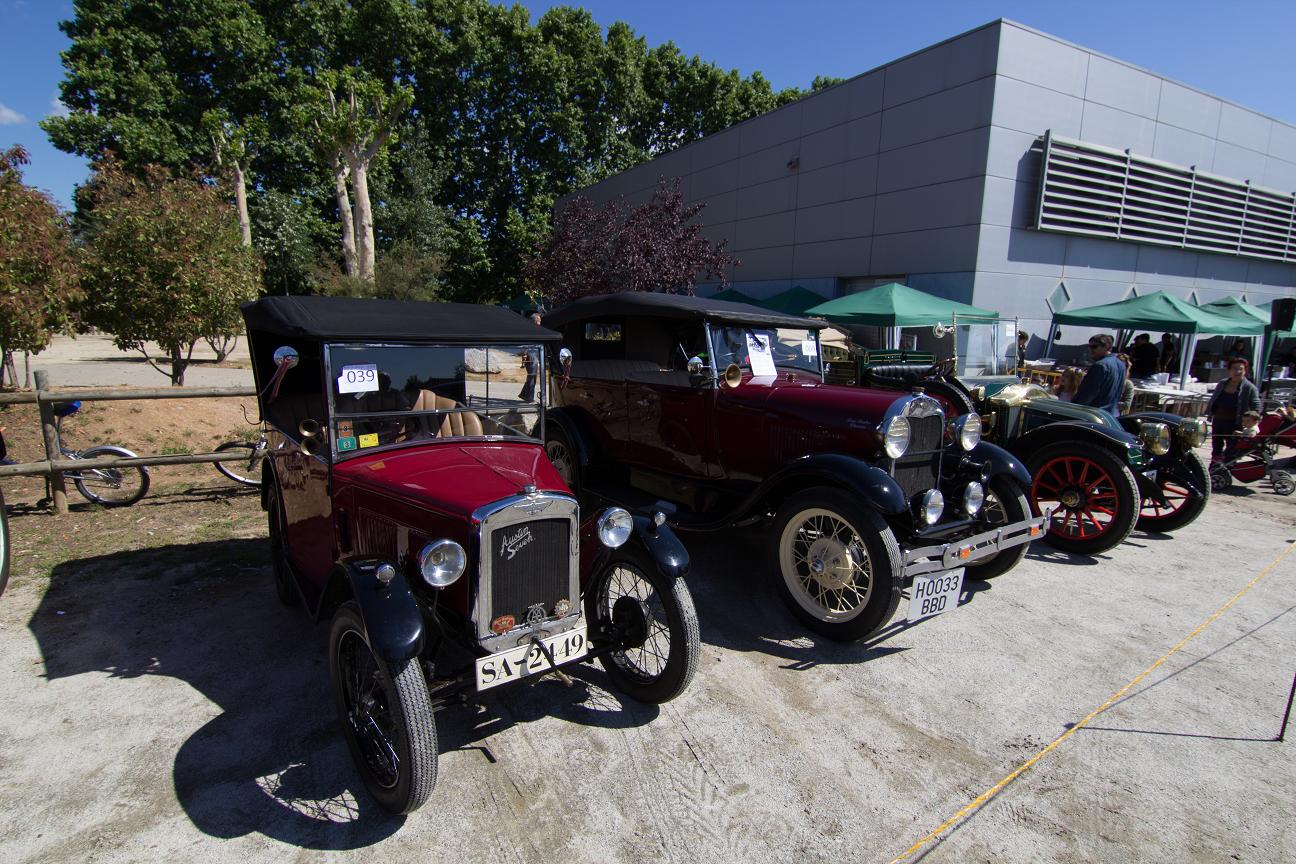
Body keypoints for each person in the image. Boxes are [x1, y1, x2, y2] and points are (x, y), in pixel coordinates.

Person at [1206, 357, 1261, 462]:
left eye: (1241, 369)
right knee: (1216, 447)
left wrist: (1253, 420)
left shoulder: (1249, 387)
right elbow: (1214, 398)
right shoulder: (1222, 383)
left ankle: (1228, 467)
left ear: (1245, 371)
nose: (1237, 371)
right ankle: (1214, 467)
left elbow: (1256, 405)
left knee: (1231, 449)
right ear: (1229, 370)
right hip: (1218, 420)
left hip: (1235, 423)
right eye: (1234, 369)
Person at [1072, 334, 1125, 415]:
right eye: (1089, 347)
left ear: (1106, 347)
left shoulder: (1100, 365)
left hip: (1093, 413)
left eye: (1094, 347)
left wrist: (1076, 411)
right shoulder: (1121, 364)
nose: (1090, 350)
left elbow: (1088, 393)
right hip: (1110, 414)